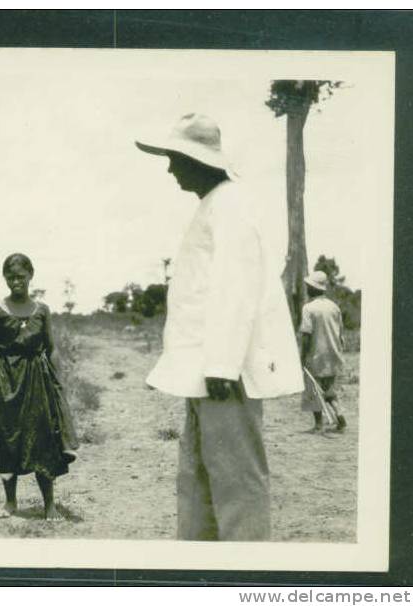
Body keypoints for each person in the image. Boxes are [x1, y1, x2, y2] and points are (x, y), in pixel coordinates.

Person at [135, 113, 303, 541]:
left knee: (236, 483)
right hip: (204, 372)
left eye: (175, 158)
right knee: (198, 477)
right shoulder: (214, 206)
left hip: (224, 374)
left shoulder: (230, 206)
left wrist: (223, 367)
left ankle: (245, 576)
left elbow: (236, 288)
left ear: (198, 160)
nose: (170, 169)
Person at [0, 253, 78, 520]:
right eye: (11, 277)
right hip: (3, 380)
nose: (16, 281)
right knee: (5, 438)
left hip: (36, 380)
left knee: (43, 437)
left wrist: (59, 383)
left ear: (31, 276)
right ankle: (10, 503)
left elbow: (52, 349)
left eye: (21, 276)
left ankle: (49, 504)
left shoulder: (42, 311)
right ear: (4, 278)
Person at [299, 270, 347, 433]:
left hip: (316, 355)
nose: (306, 288)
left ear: (313, 288)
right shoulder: (334, 307)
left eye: (308, 286)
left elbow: (306, 334)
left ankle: (319, 424)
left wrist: (302, 356)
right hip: (334, 354)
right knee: (329, 390)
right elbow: (341, 333)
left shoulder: (308, 308)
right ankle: (339, 415)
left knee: (314, 390)